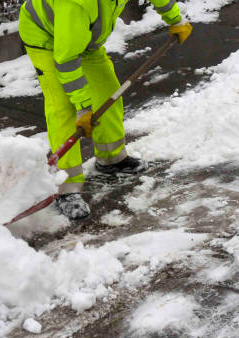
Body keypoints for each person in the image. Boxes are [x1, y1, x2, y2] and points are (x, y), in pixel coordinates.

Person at [19, 0, 192, 219]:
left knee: (108, 91)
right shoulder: (76, 4)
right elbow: (65, 61)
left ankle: (111, 159)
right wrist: (83, 108)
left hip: (85, 38)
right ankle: (65, 188)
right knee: (64, 107)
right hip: (47, 39)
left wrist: (175, 19)